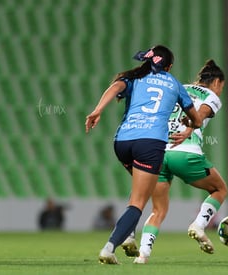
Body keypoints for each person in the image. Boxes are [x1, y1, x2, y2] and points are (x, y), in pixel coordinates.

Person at [85, 45, 202, 264]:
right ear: (169, 66)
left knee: (140, 188)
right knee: (139, 201)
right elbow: (196, 119)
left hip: (122, 142)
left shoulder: (135, 77)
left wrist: (98, 109)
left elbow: (115, 86)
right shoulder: (174, 83)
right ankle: (110, 248)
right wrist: (190, 125)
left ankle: (128, 234)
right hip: (150, 143)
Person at [121, 59, 227, 264]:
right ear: (216, 82)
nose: (221, 90)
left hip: (156, 152)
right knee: (220, 189)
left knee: (158, 209)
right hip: (185, 152)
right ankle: (198, 225)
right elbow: (203, 111)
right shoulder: (211, 95)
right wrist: (189, 128)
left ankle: (143, 255)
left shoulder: (178, 88)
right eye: (221, 86)